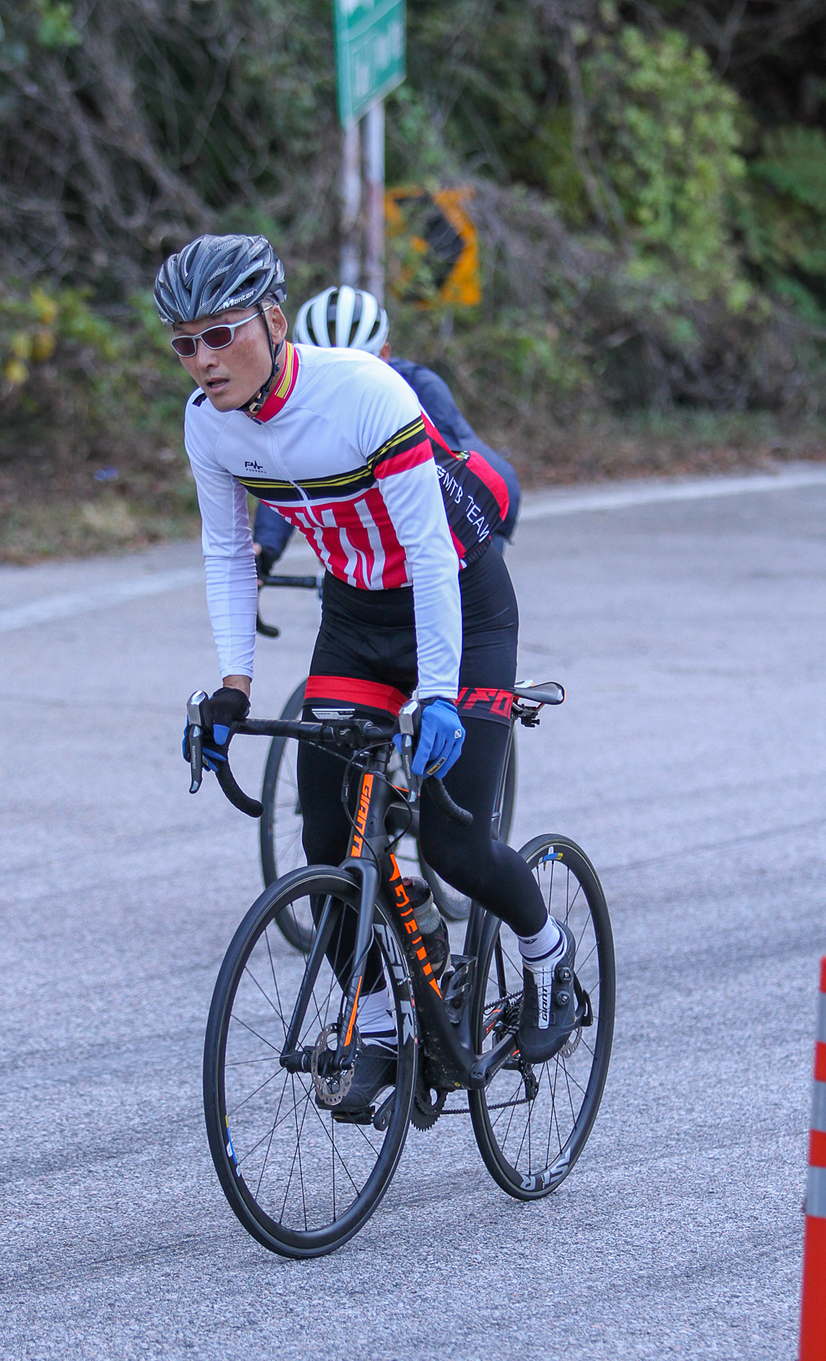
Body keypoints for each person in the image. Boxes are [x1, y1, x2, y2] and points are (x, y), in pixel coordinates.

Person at [156, 234, 573, 1119]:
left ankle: (549, 955)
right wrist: (233, 686)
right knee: (328, 840)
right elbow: (228, 551)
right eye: (185, 343)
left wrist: (438, 693)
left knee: (455, 846)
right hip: (355, 617)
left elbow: (429, 552)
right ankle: (381, 1022)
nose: (203, 359)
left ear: (274, 323)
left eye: (221, 335)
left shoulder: (363, 393)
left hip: (460, 603)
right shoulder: (208, 422)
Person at [252, 283, 520, 582]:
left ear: (384, 355)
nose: (339, 384)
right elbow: (289, 475)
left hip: (477, 505)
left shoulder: (421, 389)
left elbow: (446, 476)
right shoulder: (299, 403)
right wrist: (265, 550)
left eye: (355, 367)